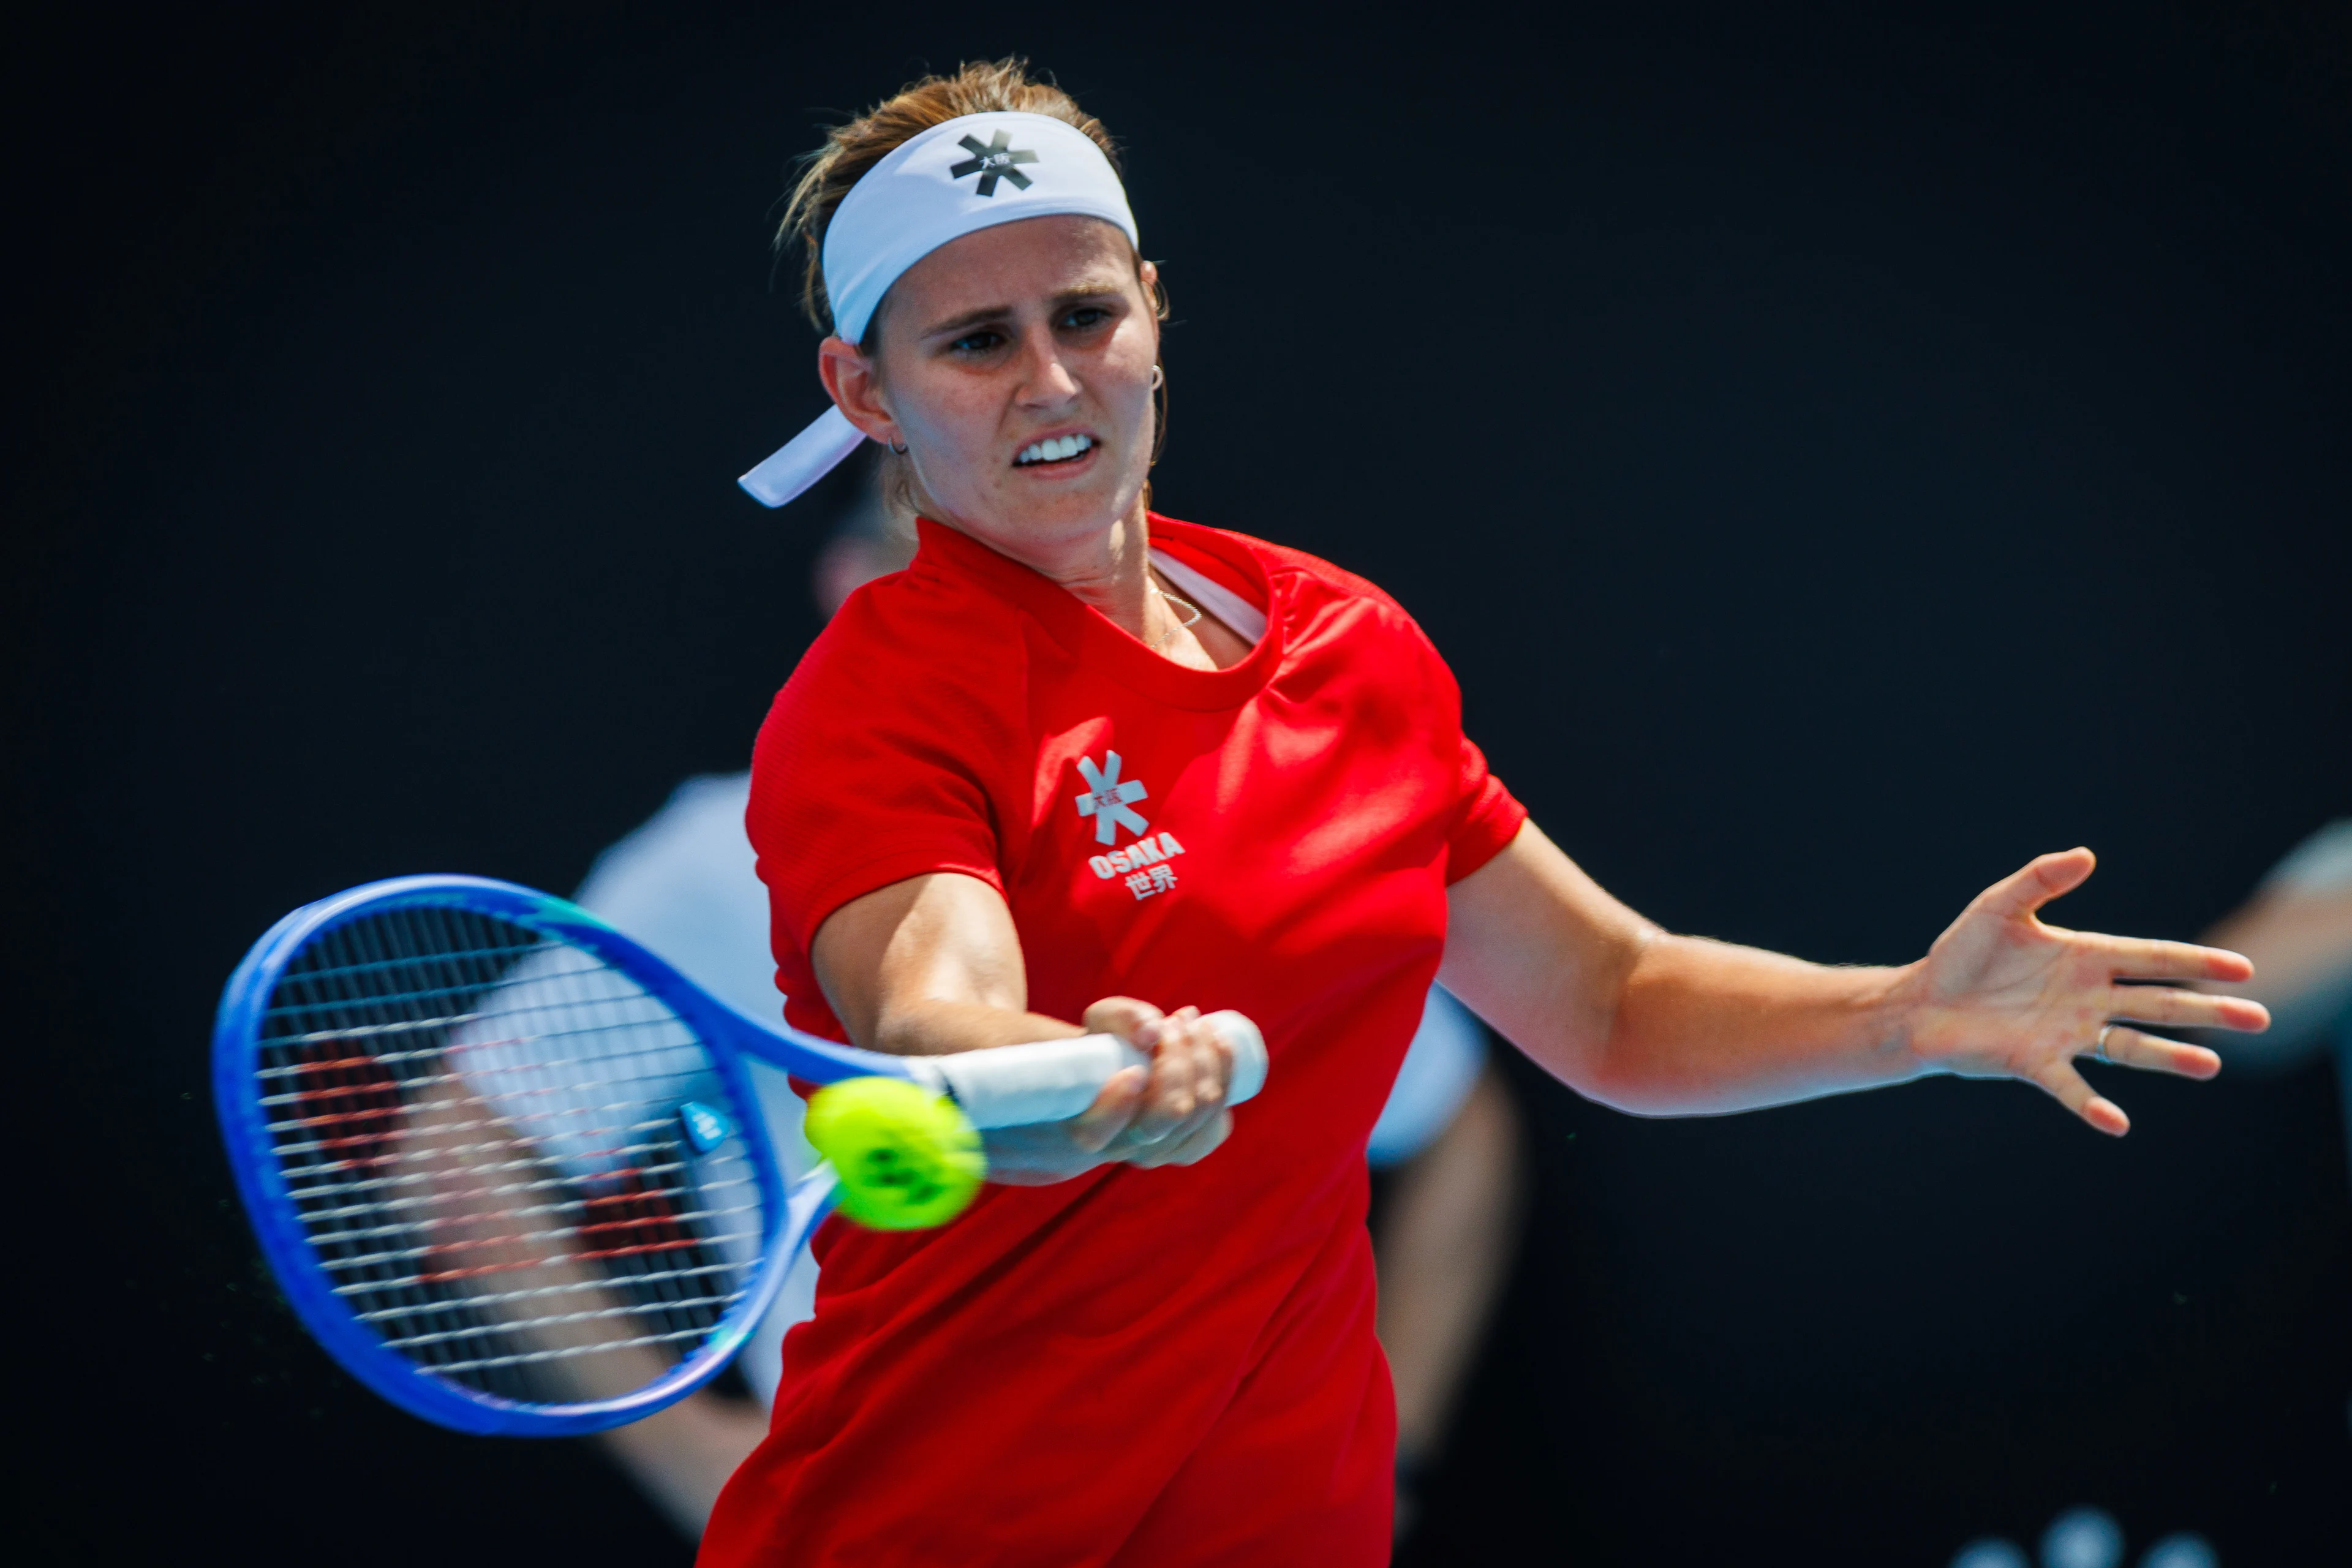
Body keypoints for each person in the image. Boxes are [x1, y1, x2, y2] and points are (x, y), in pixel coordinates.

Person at [695, 61, 2268, 1566]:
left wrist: (1908, 1013)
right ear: (867, 390)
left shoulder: (1343, 644)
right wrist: (1071, 1085)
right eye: (976, 340)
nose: (1050, 379)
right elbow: (925, 1016)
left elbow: (1609, 1001)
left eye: (1085, 313)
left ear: (1154, 312)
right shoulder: (878, 699)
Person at [576, 458, 1524, 1537]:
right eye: (943, 579)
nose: (1004, 622)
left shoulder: (1222, 849)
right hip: (912, 1515)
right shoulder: (702, 866)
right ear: (851, 584)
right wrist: (686, 1446)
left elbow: (1465, 1120)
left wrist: (1390, 1453)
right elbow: (457, 1162)